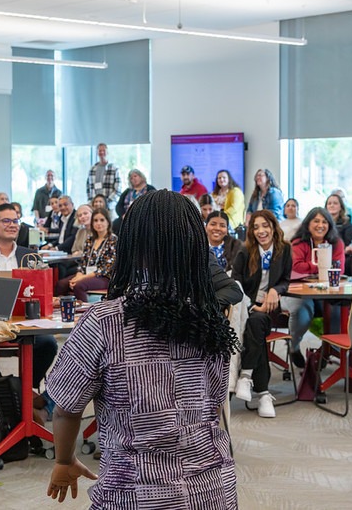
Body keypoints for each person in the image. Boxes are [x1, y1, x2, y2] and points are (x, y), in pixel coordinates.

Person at [45, 190, 238, 507]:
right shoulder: (211, 319)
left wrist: (64, 460)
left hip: (134, 493)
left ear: (131, 247)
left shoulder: (105, 322)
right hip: (214, 490)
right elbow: (215, 406)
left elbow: (67, 407)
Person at [0, 203, 58, 398]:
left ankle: (27, 389)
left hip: (27, 321)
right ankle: (3, 389)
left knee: (48, 344)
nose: (12, 225)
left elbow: (42, 290)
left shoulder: (31, 256)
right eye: (6, 221)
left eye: (15, 221)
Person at [232, 209, 292, 418]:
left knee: (256, 325)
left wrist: (276, 290)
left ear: (273, 227)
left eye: (265, 225)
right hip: (248, 308)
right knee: (254, 325)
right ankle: (263, 393)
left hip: (272, 310)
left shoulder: (284, 250)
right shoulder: (245, 251)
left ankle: (246, 377)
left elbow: (286, 279)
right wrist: (251, 306)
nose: (261, 231)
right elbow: (236, 285)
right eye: (256, 227)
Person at [286, 207, 346, 367]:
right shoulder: (298, 243)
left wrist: (313, 266)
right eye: (316, 221)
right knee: (302, 312)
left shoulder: (337, 243)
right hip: (303, 291)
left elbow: (339, 268)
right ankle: (294, 346)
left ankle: (327, 350)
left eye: (324, 222)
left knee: (338, 312)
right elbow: (296, 266)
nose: (320, 225)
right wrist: (320, 266)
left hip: (329, 291)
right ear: (308, 224)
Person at [56, 208, 116, 302]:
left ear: (108, 222)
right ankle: (63, 311)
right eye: (95, 220)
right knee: (61, 284)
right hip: (86, 274)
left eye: (102, 220)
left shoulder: (113, 240)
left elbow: (107, 268)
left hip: (104, 277)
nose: (98, 223)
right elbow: (83, 262)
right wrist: (78, 276)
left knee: (79, 285)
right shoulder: (90, 240)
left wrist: (81, 278)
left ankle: (85, 313)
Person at [86, 143, 121, 210]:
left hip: (109, 206)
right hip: (94, 206)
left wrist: (107, 202)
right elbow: (88, 188)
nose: (102, 152)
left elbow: (118, 190)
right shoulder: (92, 169)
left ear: (107, 152)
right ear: (97, 152)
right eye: (100, 150)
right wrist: (91, 202)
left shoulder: (114, 168)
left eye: (103, 150)